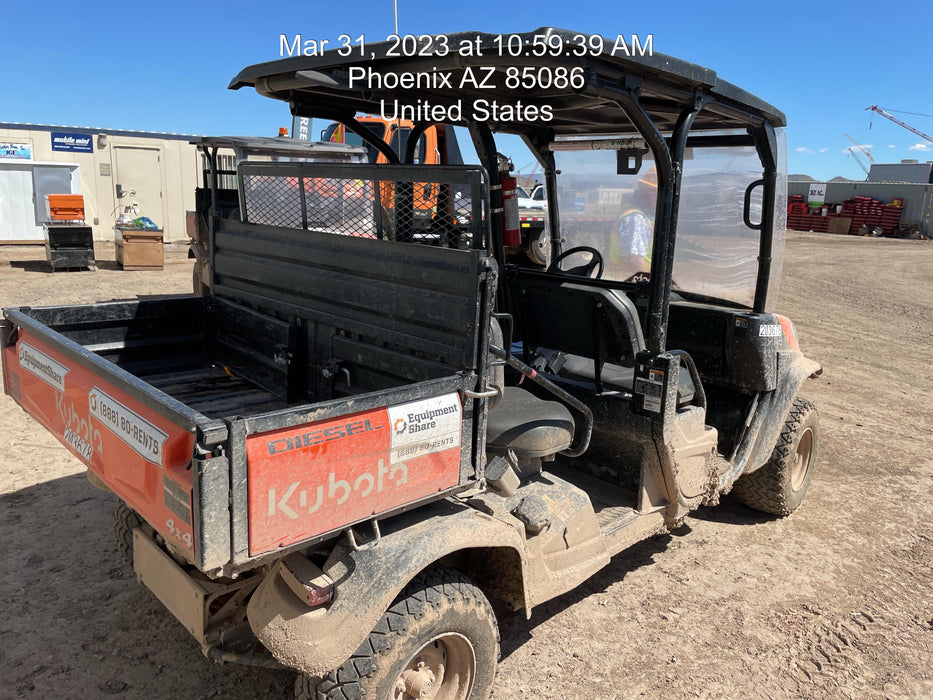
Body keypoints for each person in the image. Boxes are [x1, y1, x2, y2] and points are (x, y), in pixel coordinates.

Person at [610, 167, 656, 280]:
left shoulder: (641, 214)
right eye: (655, 193)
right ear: (647, 191)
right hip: (630, 284)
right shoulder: (636, 218)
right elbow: (635, 260)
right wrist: (650, 286)